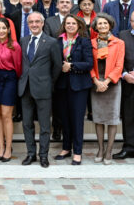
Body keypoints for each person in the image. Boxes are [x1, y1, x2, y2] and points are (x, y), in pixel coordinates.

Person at [18, 12, 62, 168]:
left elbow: (57, 66)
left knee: (44, 125)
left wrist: (49, 82)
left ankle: (43, 155)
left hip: (43, 88)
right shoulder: (23, 41)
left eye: (37, 22)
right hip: (25, 88)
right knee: (27, 124)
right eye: (31, 22)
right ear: (28, 24)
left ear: (43, 23)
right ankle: (31, 153)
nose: (34, 24)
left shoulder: (51, 42)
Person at [54, 15, 94, 166]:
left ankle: (77, 152)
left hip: (79, 85)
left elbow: (89, 63)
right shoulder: (58, 41)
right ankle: (66, 148)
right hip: (61, 85)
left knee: (77, 120)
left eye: (73, 23)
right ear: (64, 25)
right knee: (64, 118)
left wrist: (71, 66)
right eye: (67, 23)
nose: (70, 26)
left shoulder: (84, 41)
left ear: (79, 26)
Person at [90, 13, 124, 165]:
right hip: (96, 82)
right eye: (99, 24)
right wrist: (97, 81)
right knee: (98, 118)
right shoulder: (91, 43)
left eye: (105, 23)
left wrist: (107, 81)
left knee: (111, 119)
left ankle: (109, 151)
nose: (102, 26)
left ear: (110, 25)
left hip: (113, 83)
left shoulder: (119, 43)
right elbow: (89, 64)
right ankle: (100, 149)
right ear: (95, 27)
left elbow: (119, 65)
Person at [0, 18, 22, 163]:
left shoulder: (14, 46)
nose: (1, 31)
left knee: (6, 114)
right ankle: (1, 148)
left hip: (9, 79)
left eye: (4, 28)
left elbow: (19, 67)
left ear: (9, 29)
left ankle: (9, 148)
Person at [113, 13, 134, 160]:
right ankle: (129, 147)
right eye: (133, 20)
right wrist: (124, 74)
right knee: (129, 116)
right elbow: (116, 58)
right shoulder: (122, 35)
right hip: (128, 82)